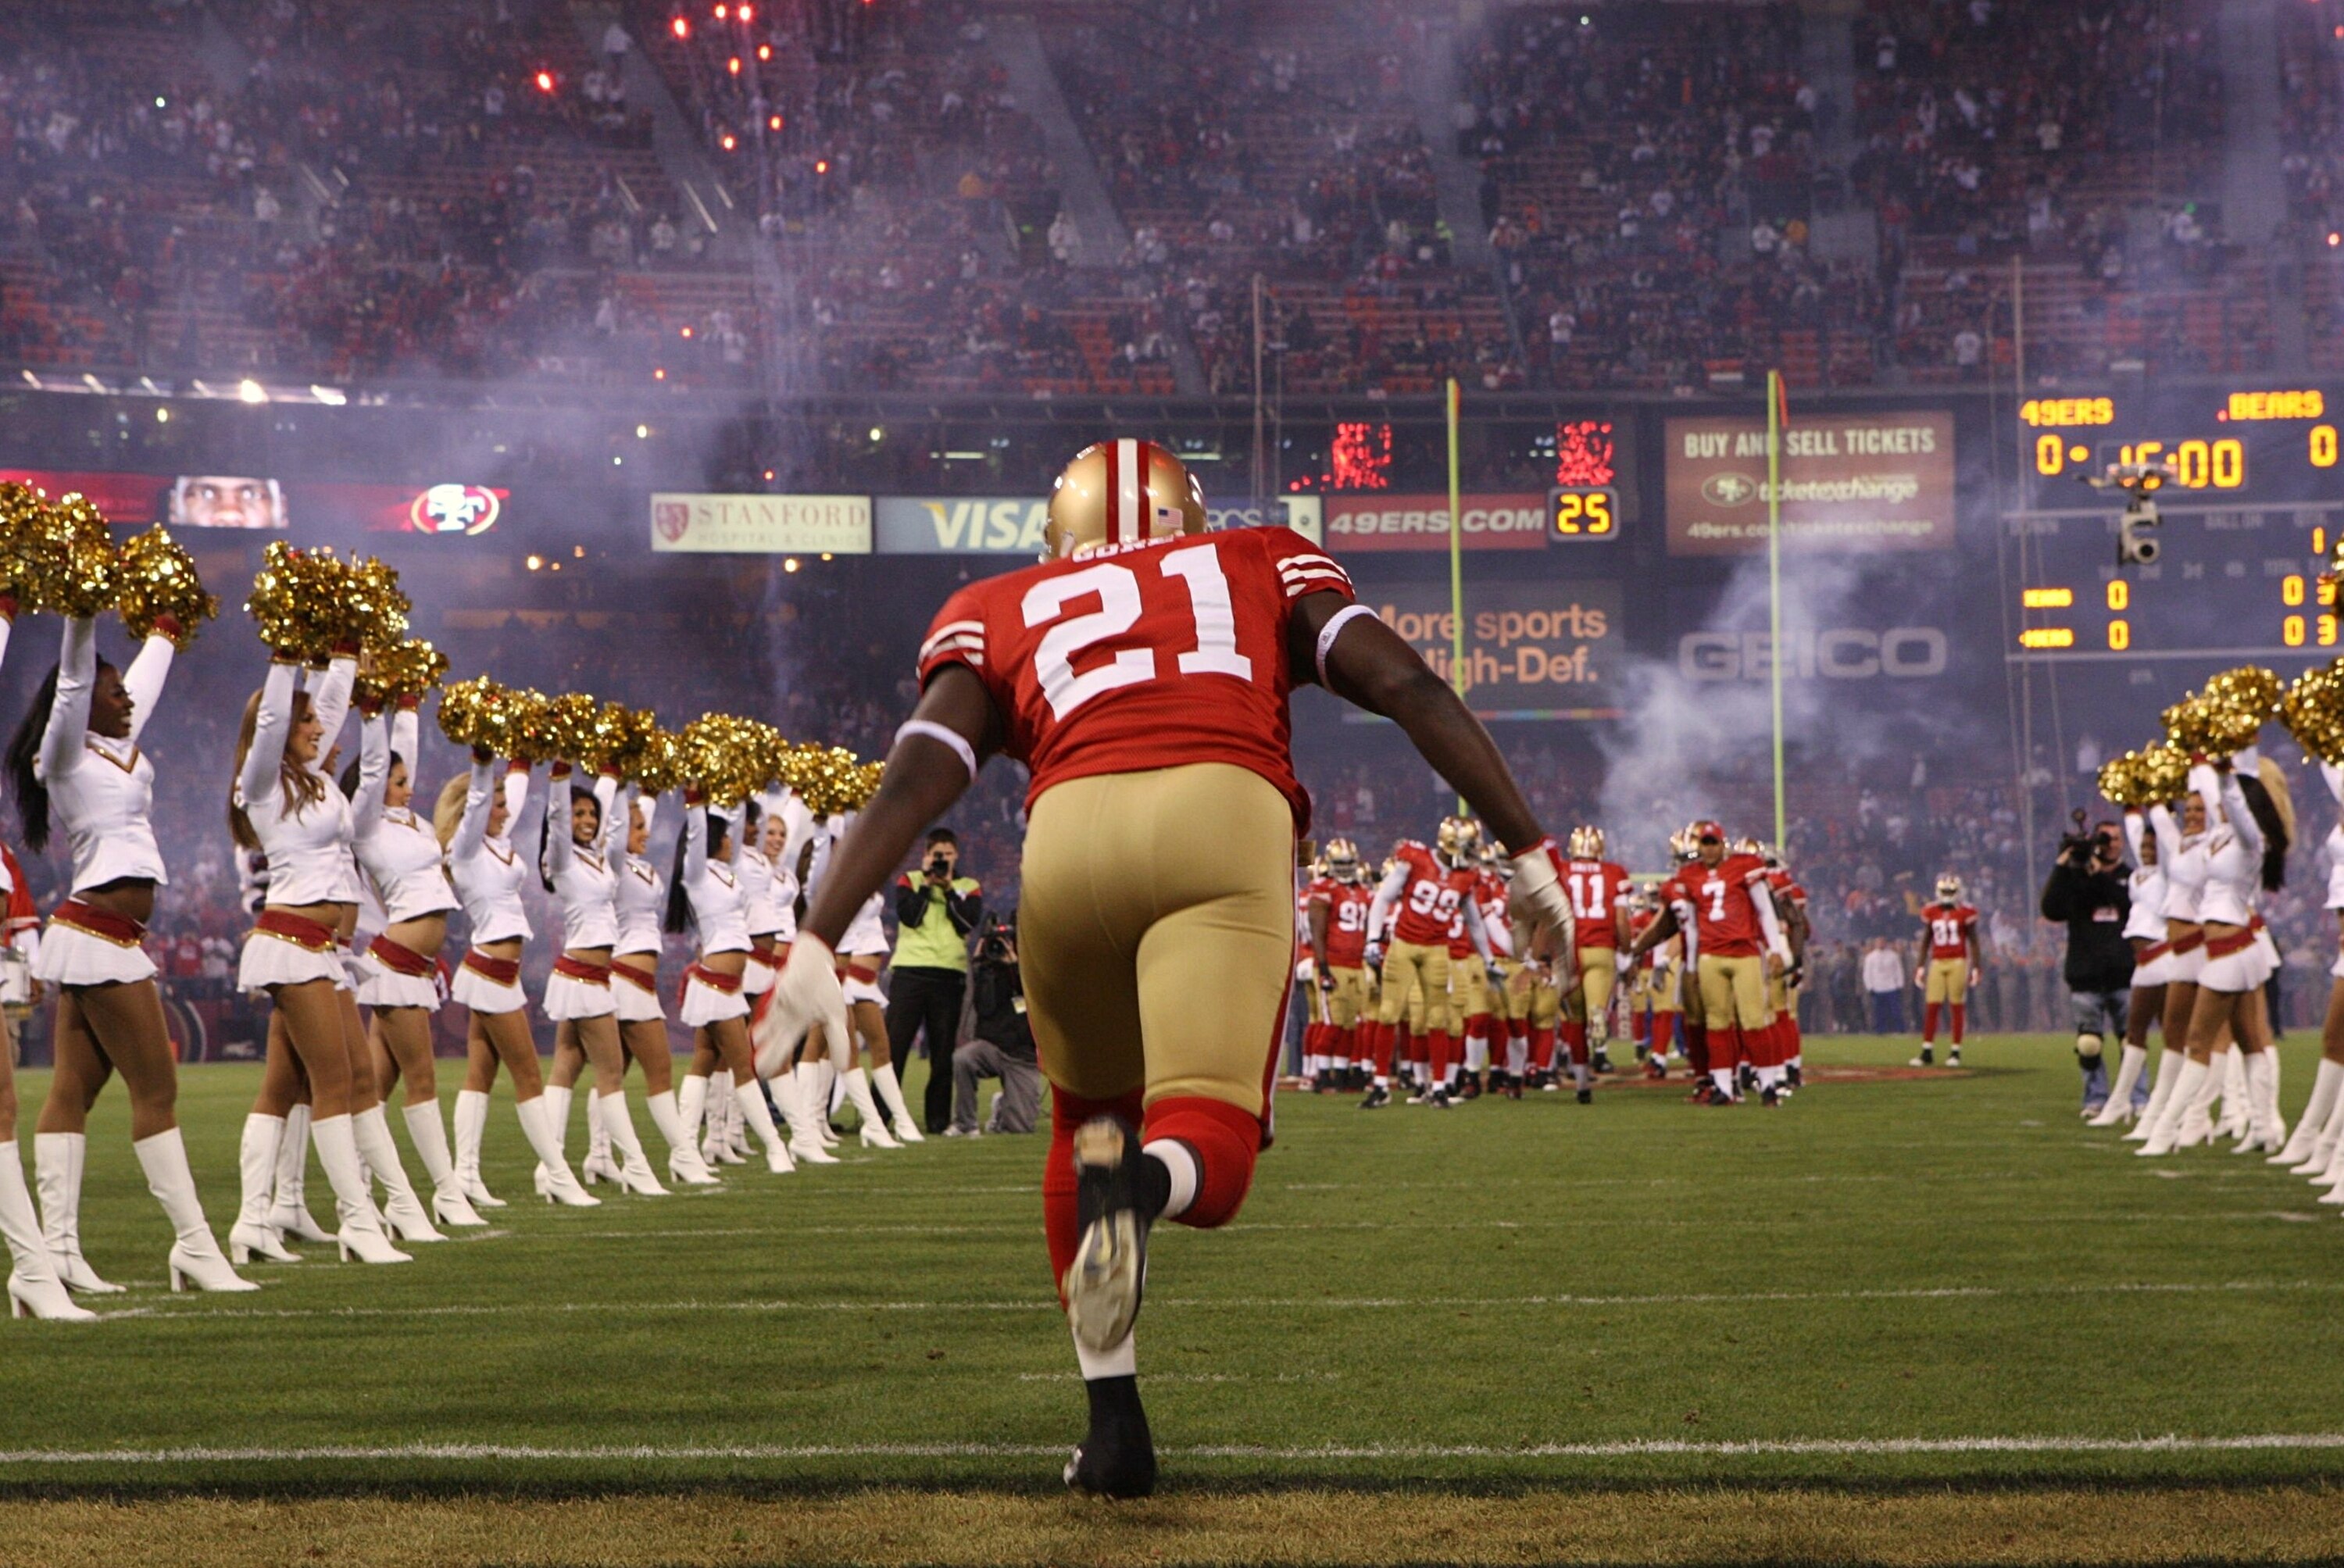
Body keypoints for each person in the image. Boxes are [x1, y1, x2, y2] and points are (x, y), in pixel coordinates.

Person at [752, 438, 1572, 1498]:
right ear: (1192, 513)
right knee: (1207, 1147)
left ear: (1059, 535)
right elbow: (1406, 682)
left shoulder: (998, 598)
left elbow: (924, 765)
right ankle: (1141, 1186)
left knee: (1084, 1121)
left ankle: (1114, 1428)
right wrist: (1526, 847)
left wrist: (820, 929)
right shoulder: (1259, 556)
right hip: (1218, 813)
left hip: (1068, 840)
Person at [9, 606, 251, 1298]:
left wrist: (168, 626)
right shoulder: (62, 754)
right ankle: (195, 1247)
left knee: (73, 1090)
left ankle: (57, 1252)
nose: (127, 699)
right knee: (158, 1088)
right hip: (99, 934)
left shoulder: (117, 745)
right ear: (85, 700)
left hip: (105, 935)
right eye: (114, 693)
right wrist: (80, 615)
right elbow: (80, 675)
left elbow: (149, 677)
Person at [233, 649, 419, 1263]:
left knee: (300, 1084)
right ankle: (358, 1224)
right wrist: (286, 658)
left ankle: (253, 1220)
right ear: (282, 724)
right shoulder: (262, 781)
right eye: (306, 720)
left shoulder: (314, 782)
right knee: (335, 1081)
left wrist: (344, 655)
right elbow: (270, 725)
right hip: (289, 945)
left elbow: (334, 709)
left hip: (324, 951)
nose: (318, 727)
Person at [438, 753, 598, 1206]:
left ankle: (464, 1174)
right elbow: (481, 802)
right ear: (476, 805)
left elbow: (518, 796)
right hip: (490, 968)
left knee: (480, 1073)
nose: (507, 811)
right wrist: (484, 761)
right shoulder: (465, 847)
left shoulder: (493, 841)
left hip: (498, 970)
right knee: (528, 1072)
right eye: (497, 803)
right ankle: (559, 1175)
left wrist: (527, 756)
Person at [1628, 823, 1794, 1105]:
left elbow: (1766, 910)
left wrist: (1776, 949)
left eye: (1711, 843)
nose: (1706, 851)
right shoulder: (1687, 881)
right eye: (1702, 846)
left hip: (1743, 952)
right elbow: (1684, 926)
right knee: (1714, 1023)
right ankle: (1721, 1085)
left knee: (1752, 1020)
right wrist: (1662, 958)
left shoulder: (1743, 868)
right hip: (1708, 956)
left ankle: (1766, 1081)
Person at [885, 828, 981, 1134]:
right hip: (910, 972)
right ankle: (880, 1116)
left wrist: (949, 889)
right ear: (926, 855)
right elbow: (909, 917)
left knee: (942, 1054)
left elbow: (967, 921)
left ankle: (938, 1121)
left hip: (949, 974)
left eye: (947, 855)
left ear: (957, 856)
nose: (942, 861)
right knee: (895, 1048)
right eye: (937, 855)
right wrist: (927, 885)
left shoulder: (969, 886)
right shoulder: (910, 880)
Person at [2038, 816, 2134, 1120]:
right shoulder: (2075, 877)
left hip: (2123, 970)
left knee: (2132, 1040)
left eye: (2115, 839)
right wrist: (2062, 864)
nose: (2109, 845)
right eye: (2103, 839)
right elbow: (2051, 909)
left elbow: (2127, 905)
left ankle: (2137, 1097)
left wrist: (2098, 875)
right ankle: (2095, 1098)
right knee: (2089, 1043)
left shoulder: (2130, 878)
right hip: (2085, 973)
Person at [952, 913, 1042, 1134]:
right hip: (993, 1048)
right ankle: (965, 1124)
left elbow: (1035, 999)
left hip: (1023, 1057)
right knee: (963, 1058)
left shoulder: (1035, 966)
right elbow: (982, 1007)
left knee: (1019, 1128)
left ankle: (1003, 1105)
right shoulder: (988, 970)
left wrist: (1014, 967)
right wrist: (979, 966)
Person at [1912, 874, 1986, 1069]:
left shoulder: (1966, 912)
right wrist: (1920, 966)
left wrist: (1977, 967)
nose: (1947, 895)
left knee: (1956, 1006)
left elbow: (1974, 942)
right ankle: (1927, 1050)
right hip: (1937, 961)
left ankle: (1955, 1050)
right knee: (1932, 1006)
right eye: (1945, 891)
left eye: (1950, 892)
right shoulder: (1931, 911)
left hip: (1958, 961)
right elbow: (1926, 941)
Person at [1860, 937, 1906, 1037]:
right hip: (1877, 987)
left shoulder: (1893, 956)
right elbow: (1867, 973)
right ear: (1876, 944)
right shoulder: (1870, 957)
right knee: (1879, 1011)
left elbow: (1898, 971)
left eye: (1882, 942)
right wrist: (1870, 987)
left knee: (1895, 1010)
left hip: (1891, 986)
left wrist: (1899, 984)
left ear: (1885, 943)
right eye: (1879, 942)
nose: (1881, 944)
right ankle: (1880, 1030)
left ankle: (1899, 1028)